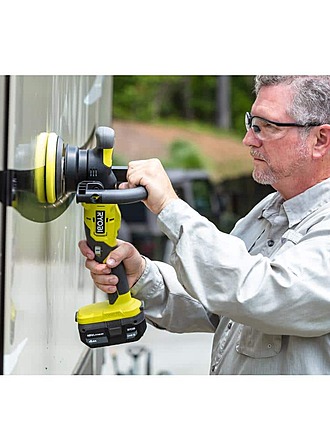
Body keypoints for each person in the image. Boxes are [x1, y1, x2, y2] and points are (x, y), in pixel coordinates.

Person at [79, 76, 330, 375]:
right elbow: (220, 303)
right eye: (252, 123)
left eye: (267, 126)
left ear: (320, 140)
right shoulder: (269, 210)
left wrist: (170, 207)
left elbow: (260, 293)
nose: (249, 140)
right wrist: (142, 276)